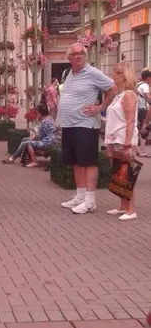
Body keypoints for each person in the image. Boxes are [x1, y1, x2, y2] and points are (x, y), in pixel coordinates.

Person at [59, 43, 116, 214]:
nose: (79, 56)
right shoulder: (68, 73)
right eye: (75, 54)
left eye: (82, 53)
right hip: (69, 124)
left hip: (85, 124)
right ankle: (80, 196)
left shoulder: (92, 73)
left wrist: (101, 107)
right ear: (69, 57)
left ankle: (90, 202)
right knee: (75, 162)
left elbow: (112, 88)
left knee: (88, 162)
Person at [104, 63, 138, 220]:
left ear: (125, 76)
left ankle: (131, 209)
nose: (114, 75)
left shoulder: (129, 95)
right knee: (118, 173)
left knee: (126, 173)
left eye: (117, 73)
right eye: (114, 72)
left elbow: (130, 121)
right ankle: (123, 206)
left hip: (123, 138)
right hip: (114, 138)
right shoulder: (118, 94)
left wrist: (127, 144)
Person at [137, 68, 151, 157]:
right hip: (143, 109)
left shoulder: (138, 84)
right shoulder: (145, 85)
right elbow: (148, 97)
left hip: (138, 108)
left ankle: (137, 150)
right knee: (144, 129)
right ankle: (142, 151)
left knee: (139, 129)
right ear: (148, 78)